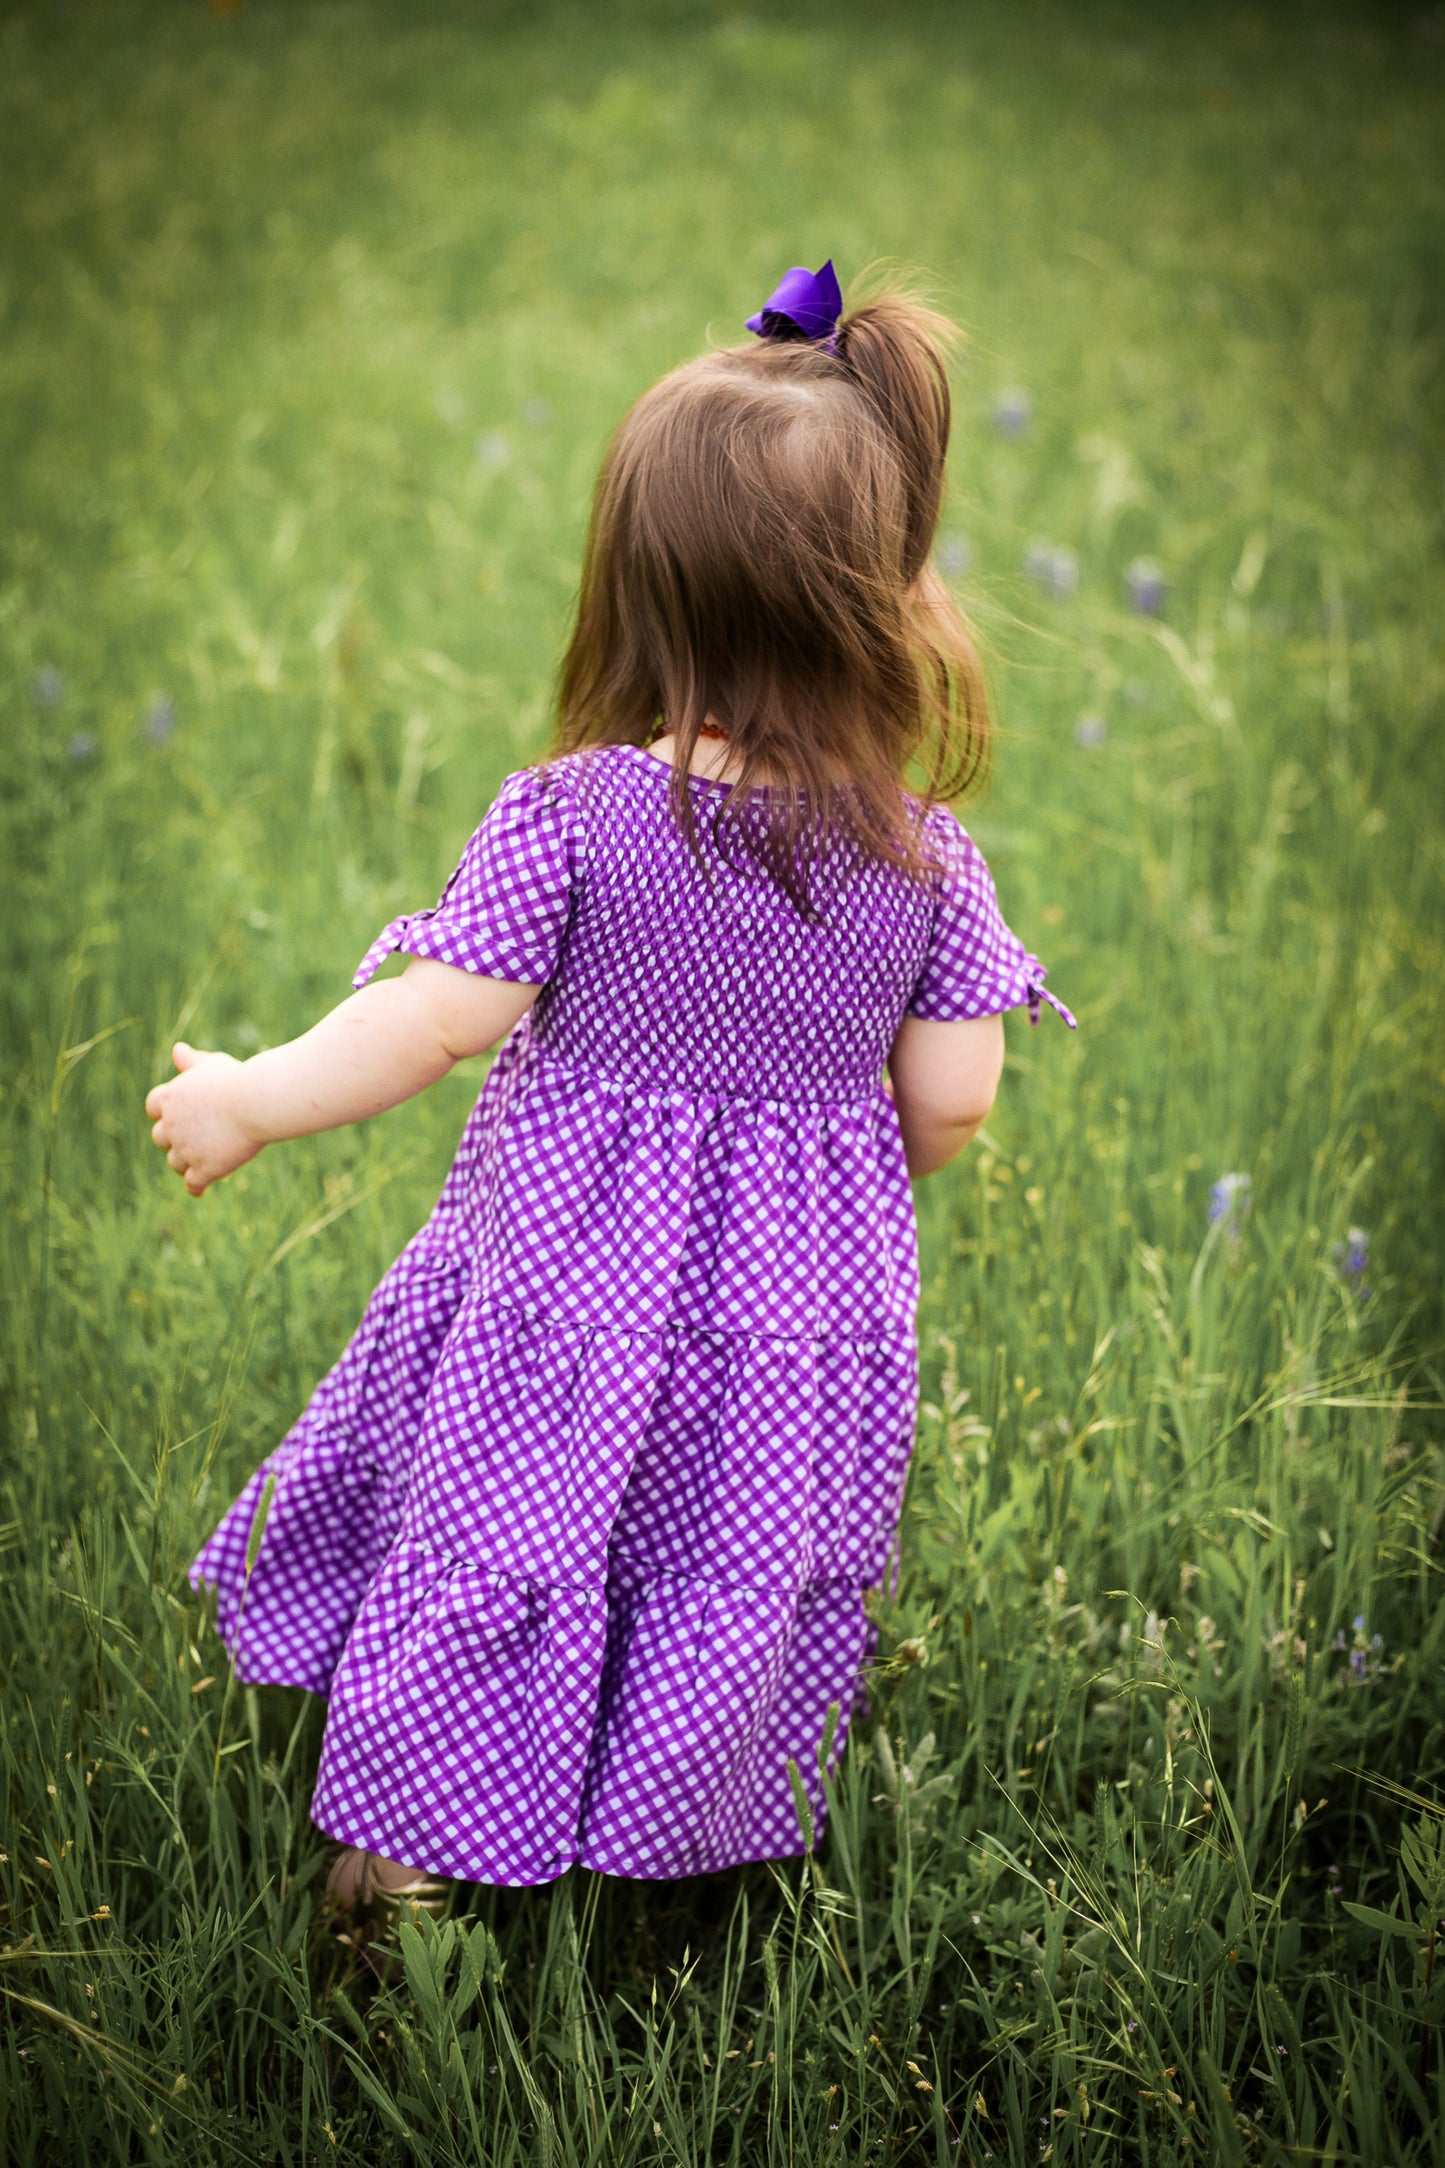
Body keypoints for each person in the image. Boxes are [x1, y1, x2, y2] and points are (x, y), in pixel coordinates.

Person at [146, 262, 1073, 1923]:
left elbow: (432, 1024)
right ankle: (667, 1855)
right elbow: (952, 1100)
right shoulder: (930, 868)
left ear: (645, 597)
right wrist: (848, 1178)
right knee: (724, 1565)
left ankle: (415, 1854)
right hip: (798, 1322)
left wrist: (253, 1097)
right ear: (890, 599)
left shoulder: (573, 816)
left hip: (558, 1302)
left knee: (507, 1539)